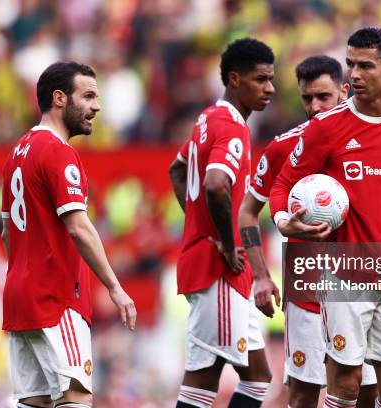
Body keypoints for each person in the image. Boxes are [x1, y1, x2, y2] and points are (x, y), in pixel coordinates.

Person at [269, 28, 381, 408]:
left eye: (365, 66)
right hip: (343, 274)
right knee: (347, 385)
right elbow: (283, 183)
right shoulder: (327, 127)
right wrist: (282, 218)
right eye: (350, 64)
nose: (353, 74)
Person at [239, 55, 378, 408]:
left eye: (323, 97)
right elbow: (247, 212)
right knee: (303, 392)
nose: (314, 107)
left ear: (345, 91)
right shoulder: (284, 147)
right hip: (308, 289)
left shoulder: (372, 140)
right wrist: (260, 276)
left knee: (364, 390)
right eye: (306, 98)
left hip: (360, 284)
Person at [0, 62, 137, 408]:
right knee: (75, 399)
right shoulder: (59, 152)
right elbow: (78, 226)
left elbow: (6, 233)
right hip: (55, 299)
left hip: (20, 300)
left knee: (35, 401)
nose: (97, 107)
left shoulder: (17, 153)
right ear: (59, 99)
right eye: (88, 96)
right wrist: (115, 287)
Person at [168, 38, 275, 408]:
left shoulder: (207, 119)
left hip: (217, 265)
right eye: (260, 79)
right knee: (202, 381)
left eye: (271, 79)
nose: (270, 89)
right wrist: (226, 242)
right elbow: (215, 184)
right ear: (234, 79)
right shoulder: (232, 126)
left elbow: (177, 169)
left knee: (259, 379)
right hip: (220, 267)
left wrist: (199, 224)